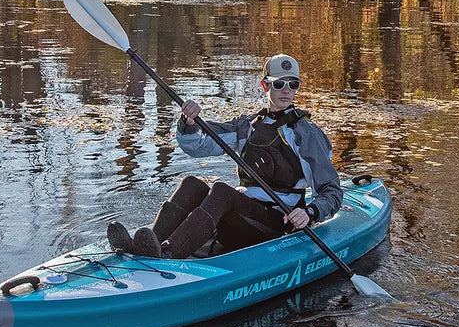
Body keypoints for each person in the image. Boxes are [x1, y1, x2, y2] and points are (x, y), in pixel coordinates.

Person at [107, 54, 344, 259]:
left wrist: (310, 212)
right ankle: (149, 245)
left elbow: (332, 191)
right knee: (191, 184)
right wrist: (189, 121)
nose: (286, 91)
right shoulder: (248, 126)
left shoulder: (306, 135)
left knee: (222, 191)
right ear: (264, 86)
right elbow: (198, 144)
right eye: (279, 84)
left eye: (293, 85)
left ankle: (168, 253)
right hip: (245, 215)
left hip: (277, 223)